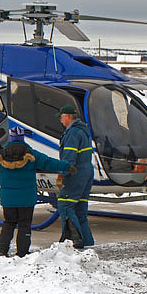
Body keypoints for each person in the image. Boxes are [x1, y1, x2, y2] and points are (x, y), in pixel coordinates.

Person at [0, 127, 75, 257]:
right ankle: (22, 252)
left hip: (8, 198)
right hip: (26, 198)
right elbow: (49, 163)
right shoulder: (32, 154)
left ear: (11, 138)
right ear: (22, 138)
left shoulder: (0, 155)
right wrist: (67, 167)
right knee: (24, 224)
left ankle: (2, 248)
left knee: (9, 223)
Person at [56, 104, 95, 247]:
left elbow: (69, 158)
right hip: (87, 172)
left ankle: (73, 241)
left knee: (65, 205)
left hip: (76, 173)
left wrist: (61, 176)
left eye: (61, 117)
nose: (60, 121)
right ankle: (87, 241)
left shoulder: (72, 133)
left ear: (67, 117)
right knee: (80, 210)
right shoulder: (83, 131)